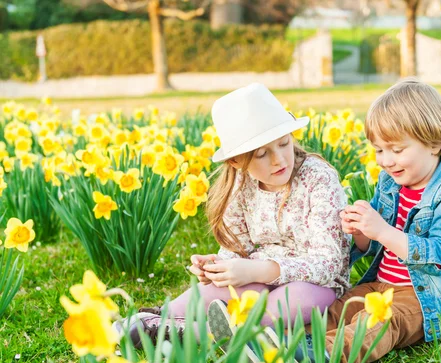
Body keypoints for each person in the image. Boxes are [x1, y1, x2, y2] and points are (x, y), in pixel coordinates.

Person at [117, 83, 351, 347]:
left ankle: (201, 333)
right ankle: (158, 318)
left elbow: (328, 263)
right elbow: (239, 252)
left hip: (315, 284)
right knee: (234, 290)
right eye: (262, 154)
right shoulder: (240, 185)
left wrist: (258, 269)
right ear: (236, 161)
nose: (279, 159)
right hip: (257, 276)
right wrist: (219, 266)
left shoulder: (317, 178)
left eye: (284, 143)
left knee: (290, 301)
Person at [297, 78, 441, 363]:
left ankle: (324, 355)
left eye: (396, 149)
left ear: (434, 144)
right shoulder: (390, 184)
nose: (385, 161)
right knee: (340, 308)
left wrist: (382, 230)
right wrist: (360, 229)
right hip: (380, 284)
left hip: (425, 298)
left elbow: (440, 257)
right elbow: (371, 246)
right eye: (379, 150)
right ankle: (278, 344)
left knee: (381, 321)